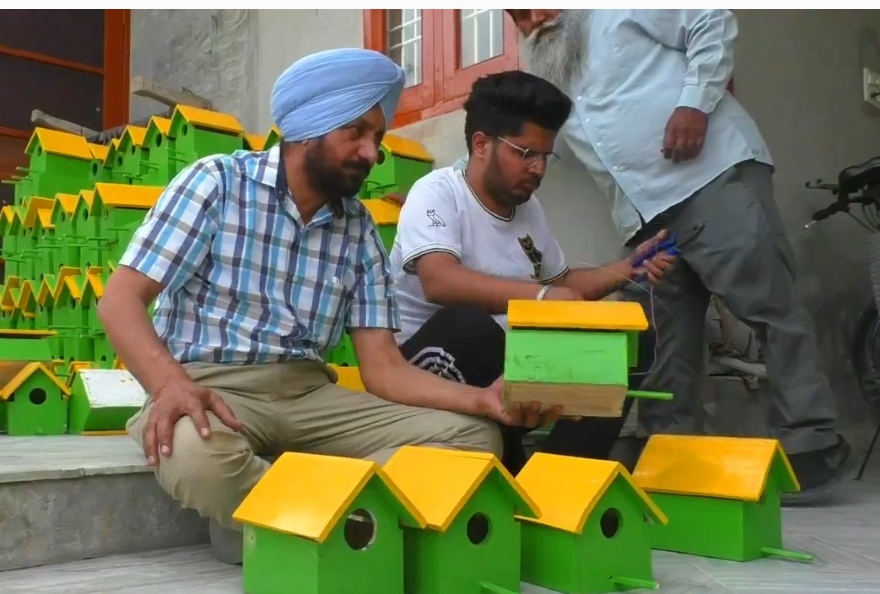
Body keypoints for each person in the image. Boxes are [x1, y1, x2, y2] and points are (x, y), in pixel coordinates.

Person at [98, 48, 560, 565]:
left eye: (377, 138)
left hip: (309, 393)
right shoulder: (218, 183)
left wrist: (482, 401)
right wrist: (170, 385)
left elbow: (384, 368)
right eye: (356, 133)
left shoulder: (358, 226)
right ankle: (329, 524)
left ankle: (276, 524)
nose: (371, 153)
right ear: (307, 128)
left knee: (473, 437)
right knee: (199, 460)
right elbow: (119, 301)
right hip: (212, 387)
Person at [506, 9, 852, 504]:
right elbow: (512, 130)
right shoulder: (541, 60)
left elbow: (711, 19)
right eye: (516, 14)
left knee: (768, 307)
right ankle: (672, 453)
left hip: (712, 179)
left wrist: (694, 103)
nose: (530, 18)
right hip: (645, 214)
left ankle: (812, 443)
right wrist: (463, 177)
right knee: (665, 337)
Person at [390, 70, 677, 475]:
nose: (539, 169)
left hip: (505, 359)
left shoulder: (529, 211)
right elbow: (440, 280)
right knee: (470, 325)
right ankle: (508, 471)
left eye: (545, 156)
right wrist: (542, 297)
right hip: (420, 369)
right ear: (481, 144)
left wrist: (628, 268)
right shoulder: (437, 193)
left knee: (628, 336)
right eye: (526, 154)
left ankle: (561, 479)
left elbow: (559, 284)